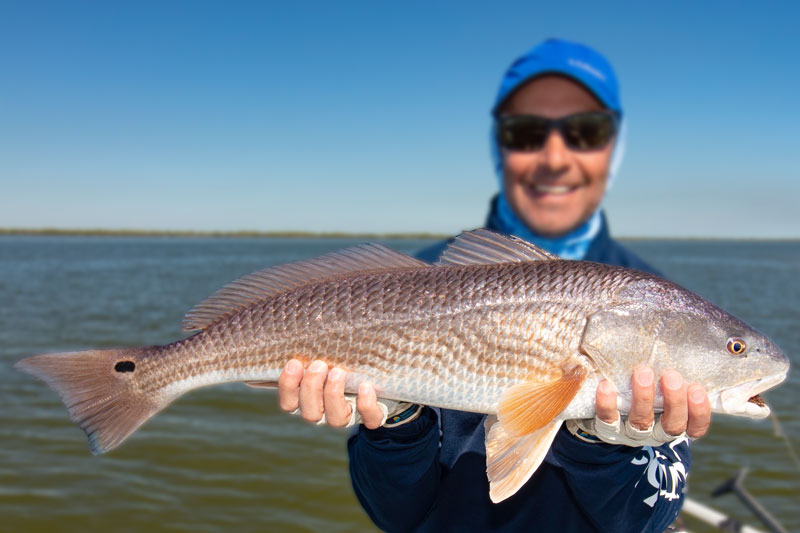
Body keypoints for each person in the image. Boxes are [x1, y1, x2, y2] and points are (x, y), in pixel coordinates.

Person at [277, 39, 711, 532]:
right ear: (497, 145)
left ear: (613, 146)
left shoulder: (657, 302)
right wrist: (396, 424)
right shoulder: (410, 282)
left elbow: (645, 521)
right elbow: (395, 514)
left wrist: (604, 449)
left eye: (585, 131)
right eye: (526, 132)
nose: (554, 157)